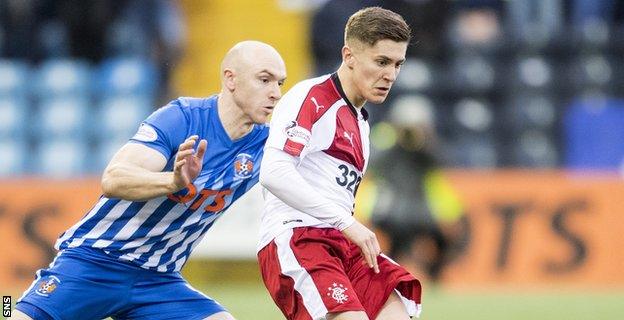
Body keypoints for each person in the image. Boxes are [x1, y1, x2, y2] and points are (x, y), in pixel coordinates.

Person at [13, 40, 287, 320]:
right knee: (14, 314)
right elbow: (114, 179)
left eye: (280, 83)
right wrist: (173, 182)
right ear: (231, 78)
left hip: (158, 280)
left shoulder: (268, 145)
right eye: (264, 80)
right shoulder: (182, 118)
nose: (275, 93)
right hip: (96, 261)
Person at [258, 7, 421, 320]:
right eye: (381, 61)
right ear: (349, 56)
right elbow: (274, 172)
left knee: (399, 312)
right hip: (298, 237)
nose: (391, 75)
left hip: (342, 243)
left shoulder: (360, 120)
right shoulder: (313, 97)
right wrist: (347, 223)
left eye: (398, 64)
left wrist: (345, 227)